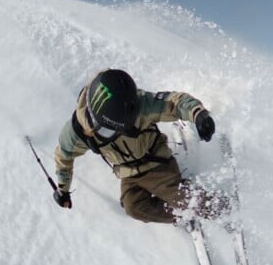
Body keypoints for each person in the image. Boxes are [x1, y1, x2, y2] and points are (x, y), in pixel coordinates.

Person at [53, 69, 223, 224]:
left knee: (180, 198)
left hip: (155, 162)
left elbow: (174, 102)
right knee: (133, 207)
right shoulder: (78, 132)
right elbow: (64, 156)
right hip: (128, 172)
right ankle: (181, 215)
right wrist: (63, 190)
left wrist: (198, 114)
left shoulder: (138, 104)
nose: (114, 134)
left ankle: (222, 209)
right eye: (107, 130)